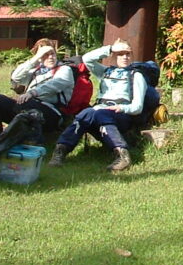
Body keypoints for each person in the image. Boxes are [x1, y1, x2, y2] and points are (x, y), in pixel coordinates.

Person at [49, 39, 145, 172]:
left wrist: (122, 108)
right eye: (120, 54)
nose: (125, 57)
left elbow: (138, 107)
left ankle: (122, 155)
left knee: (98, 113)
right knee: (85, 113)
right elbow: (87, 59)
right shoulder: (106, 72)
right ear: (114, 55)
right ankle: (60, 152)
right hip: (99, 112)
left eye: (128, 54)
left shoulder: (136, 76)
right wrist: (110, 48)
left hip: (121, 114)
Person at [0, 41, 75, 144]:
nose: (50, 57)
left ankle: (29, 142)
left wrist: (32, 93)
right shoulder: (37, 71)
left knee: (26, 105)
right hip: (26, 108)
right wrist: (34, 59)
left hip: (51, 113)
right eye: (45, 55)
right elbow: (16, 77)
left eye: (52, 53)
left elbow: (54, 85)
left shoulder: (65, 70)